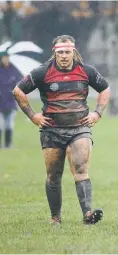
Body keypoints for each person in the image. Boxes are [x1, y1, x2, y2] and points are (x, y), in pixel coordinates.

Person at [12, 35, 111, 225]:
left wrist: (97, 113)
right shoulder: (42, 72)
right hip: (52, 130)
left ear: (73, 51)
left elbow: (105, 89)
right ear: (54, 53)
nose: (64, 56)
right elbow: (18, 91)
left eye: (67, 52)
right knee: (53, 175)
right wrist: (33, 116)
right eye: (60, 52)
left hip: (79, 128)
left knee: (81, 170)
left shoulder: (86, 71)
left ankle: (87, 214)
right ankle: (55, 217)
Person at [0, 50, 22, 148]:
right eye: (4, 58)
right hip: (1, 101)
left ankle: (8, 144)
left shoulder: (14, 70)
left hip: (11, 101)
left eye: (7, 57)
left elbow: (19, 83)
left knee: (9, 124)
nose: (5, 59)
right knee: (0, 124)